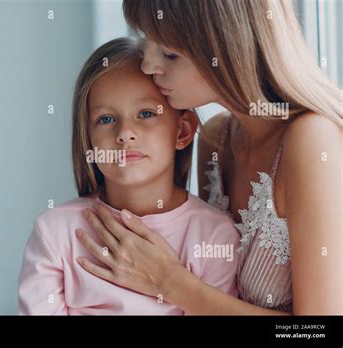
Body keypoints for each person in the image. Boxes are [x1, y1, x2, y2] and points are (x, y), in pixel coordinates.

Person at [75, 0, 342, 315]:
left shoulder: (312, 139)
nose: (148, 66)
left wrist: (170, 282)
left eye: (169, 54)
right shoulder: (216, 140)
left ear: (228, 47)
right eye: (147, 42)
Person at [18, 37, 240, 315]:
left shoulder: (214, 236)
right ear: (88, 139)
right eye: (106, 119)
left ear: (182, 132)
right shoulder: (54, 233)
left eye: (146, 113)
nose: (124, 133)